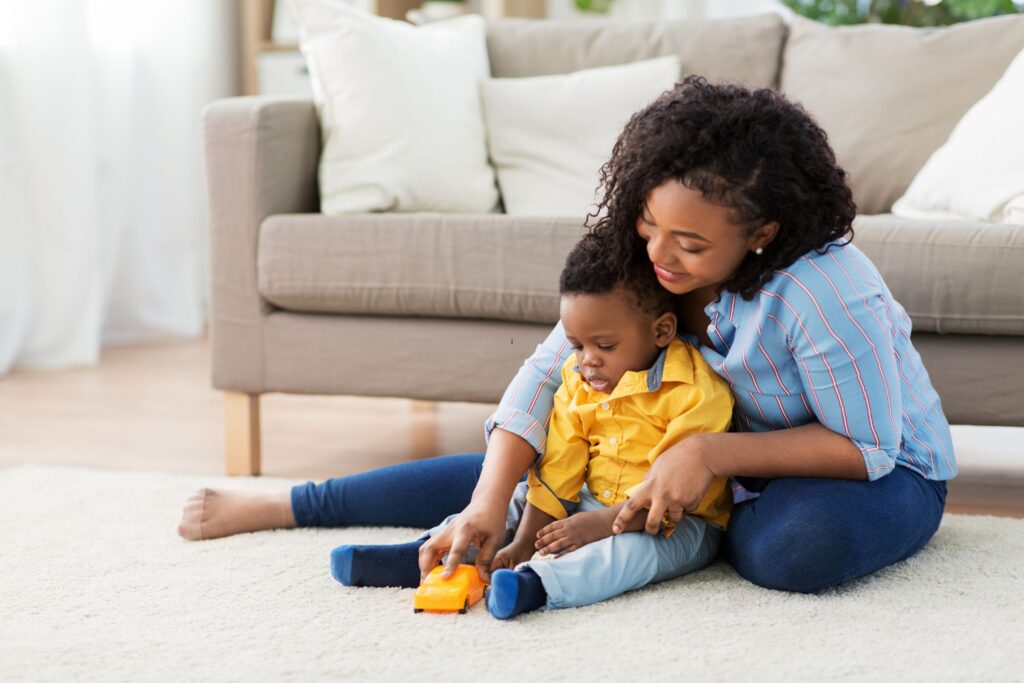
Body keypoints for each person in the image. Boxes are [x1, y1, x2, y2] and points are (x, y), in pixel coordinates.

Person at [179, 76, 956, 596]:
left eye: (689, 243)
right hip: (685, 456)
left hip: (874, 471)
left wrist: (707, 455)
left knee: (790, 551)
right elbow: (545, 377)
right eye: (650, 224)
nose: (659, 255)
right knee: (521, 475)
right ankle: (289, 503)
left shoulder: (825, 291)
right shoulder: (644, 262)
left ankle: (694, 525)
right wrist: (491, 503)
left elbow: (869, 445)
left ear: (763, 232)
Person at [331, 238, 734, 618]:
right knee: (518, 499)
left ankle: (536, 586)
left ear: (661, 331)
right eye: (577, 345)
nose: (587, 361)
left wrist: (600, 525)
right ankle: (429, 553)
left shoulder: (697, 393)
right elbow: (561, 464)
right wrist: (525, 540)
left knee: (629, 556)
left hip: (674, 523)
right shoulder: (578, 380)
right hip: (590, 497)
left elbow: (673, 497)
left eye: (605, 346)